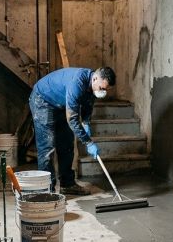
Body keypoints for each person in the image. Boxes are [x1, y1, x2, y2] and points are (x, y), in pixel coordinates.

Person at [29, 67, 116, 195]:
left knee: (67, 144)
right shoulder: (77, 83)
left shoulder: (93, 86)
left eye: (106, 90)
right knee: (47, 148)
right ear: (95, 78)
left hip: (60, 104)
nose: (103, 92)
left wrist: (86, 123)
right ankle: (46, 191)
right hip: (43, 100)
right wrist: (88, 142)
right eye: (102, 89)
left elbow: (88, 105)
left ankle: (67, 184)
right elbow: (72, 119)